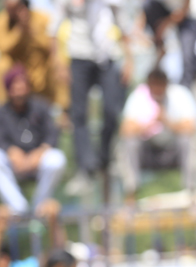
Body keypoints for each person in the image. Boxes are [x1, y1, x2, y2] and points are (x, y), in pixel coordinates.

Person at [51, 0, 131, 196]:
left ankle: (104, 159)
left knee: (112, 110)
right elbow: (53, 30)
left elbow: (124, 27)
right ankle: (86, 167)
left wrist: (129, 60)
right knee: (78, 114)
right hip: (79, 57)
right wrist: (58, 62)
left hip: (107, 57)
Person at [119, 66, 196, 204]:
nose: (157, 90)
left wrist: (167, 122)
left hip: (173, 149)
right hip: (148, 150)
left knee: (189, 141)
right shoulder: (139, 95)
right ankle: (131, 193)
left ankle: (191, 192)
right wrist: (146, 126)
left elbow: (192, 127)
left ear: (166, 84)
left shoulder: (179, 94)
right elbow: (124, 129)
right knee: (129, 143)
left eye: (160, 85)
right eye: (154, 85)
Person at [0, 66, 64, 216]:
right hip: (13, 162)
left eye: (22, 85)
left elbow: (52, 134)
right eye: (15, 86)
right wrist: (11, 151)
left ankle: (39, 207)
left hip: (38, 160)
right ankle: (18, 208)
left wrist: (40, 151)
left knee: (57, 159)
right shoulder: (2, 112)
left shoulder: (41, 106)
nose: (19, 90)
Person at [0, 0, 68, 106]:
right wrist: (20, 30)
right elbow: (4, 47)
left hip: (41, 71)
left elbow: (49, 46)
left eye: (14, 8)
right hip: (17, 69)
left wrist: (31, 32)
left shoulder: (42, 18)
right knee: (3, 67)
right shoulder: (3, 21)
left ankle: (62, 108)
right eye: (9, 8)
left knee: (58, 67)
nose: (10, 12)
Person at [142, 0, 196, 88]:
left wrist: (164, 25)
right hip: (170, 12)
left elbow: (183, 11)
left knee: (187, 54)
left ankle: (185, 87)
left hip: (191, 16)